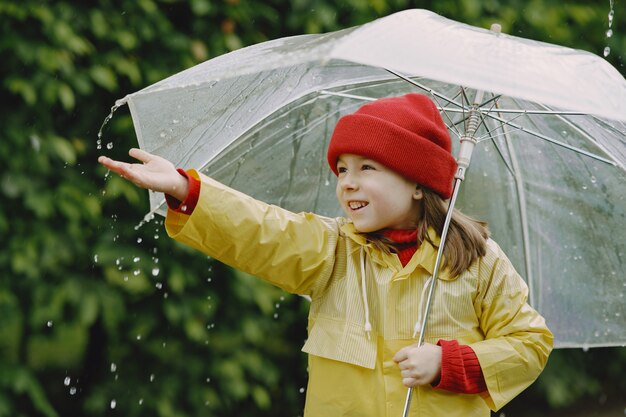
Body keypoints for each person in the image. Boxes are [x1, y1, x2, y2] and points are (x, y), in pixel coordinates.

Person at [98, 93, 553, 417]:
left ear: (419, 183)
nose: (347, 182)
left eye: (367, 168)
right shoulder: (331, 249)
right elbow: (262, 231)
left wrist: (450, 364)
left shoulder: (478, 261)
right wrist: (184, 188)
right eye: (341, 170)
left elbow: (529, 343)